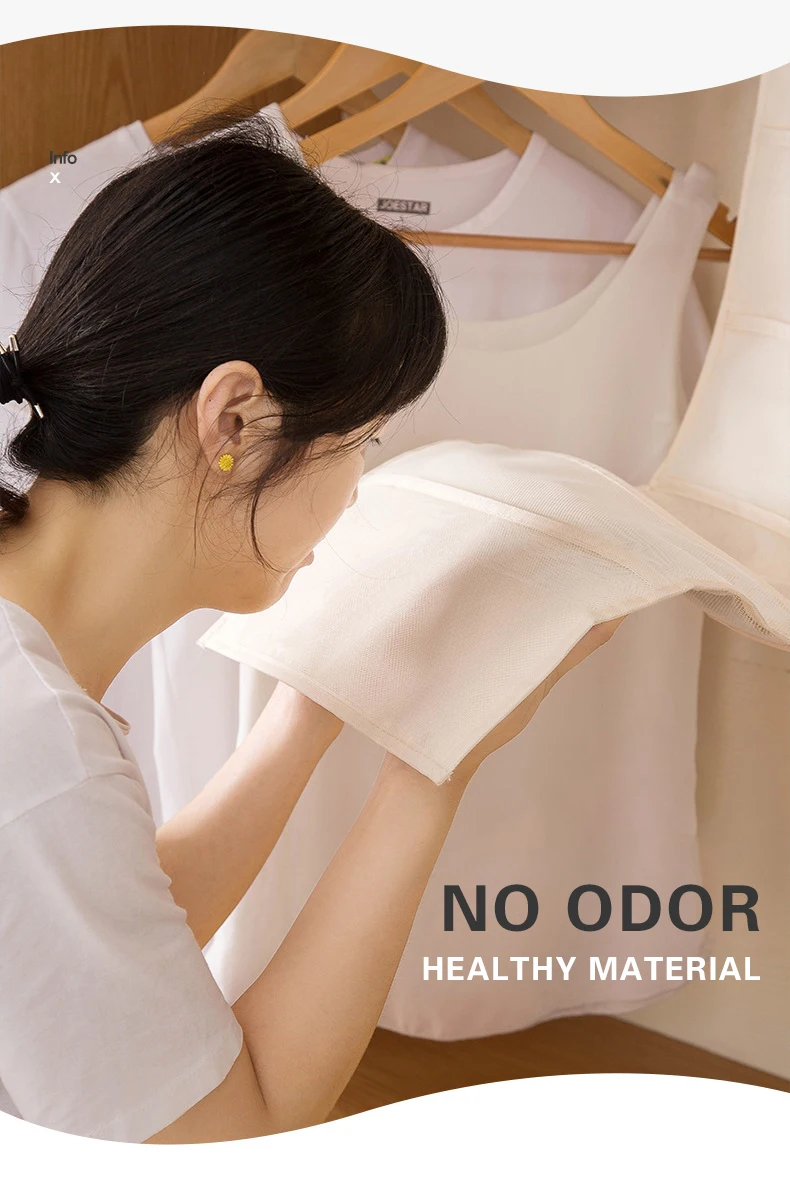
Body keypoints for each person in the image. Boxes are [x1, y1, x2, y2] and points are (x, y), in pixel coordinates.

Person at [0, 111, 623, 1144]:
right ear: (234, 419)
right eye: (359, 442)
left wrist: (309, 710)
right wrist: (431, 765)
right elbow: (230, 1131)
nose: (357, 488)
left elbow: (91, 942)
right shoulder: (37, 749)